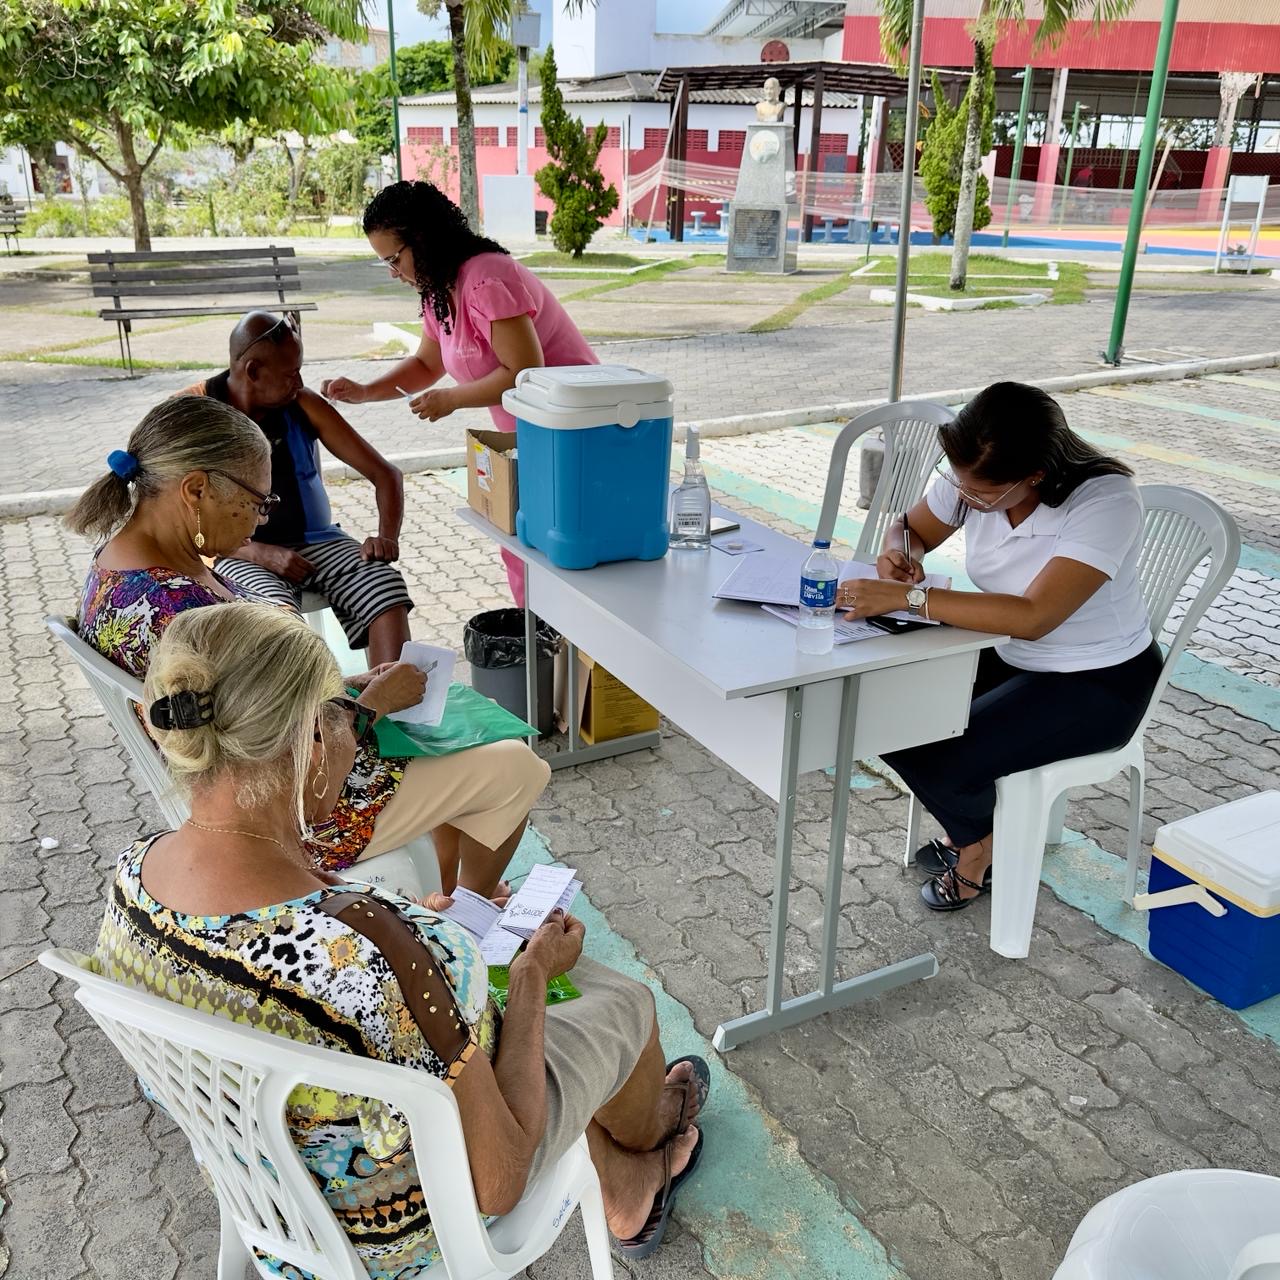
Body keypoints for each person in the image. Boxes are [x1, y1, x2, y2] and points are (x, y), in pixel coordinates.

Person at [93, 603, 708, 1270]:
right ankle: (652, 1143)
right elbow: (499, 1178)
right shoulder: (387, 955)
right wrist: (528, 978)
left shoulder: (132, 877)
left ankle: (622, 1173)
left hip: (273, 1191)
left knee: (515, 1012)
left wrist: (416, 928)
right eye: (344, 714)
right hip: (398, 1232)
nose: (358, 737)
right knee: (620, 1002)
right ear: (313, 739)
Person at [67, 395, 550, 899]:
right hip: (287, 811)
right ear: (195, 490)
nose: (259, 522)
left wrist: (345, 686)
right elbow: (281, 754)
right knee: (515, 766)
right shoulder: (178, 611)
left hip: (238, 787)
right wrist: (370, 706)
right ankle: (468, 915)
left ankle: (445, 893)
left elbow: (240, 704)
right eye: (258, 503)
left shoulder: (125, 563)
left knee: (465, 734)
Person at [835, 382, 1161, 911]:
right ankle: (979, 828)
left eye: (979, 495)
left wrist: (910, 598)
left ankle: (976, 850)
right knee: (883, 710)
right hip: (1008, 650)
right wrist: (900, 552)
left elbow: (1036, 616)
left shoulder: (1106, 501)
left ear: (1033, 476)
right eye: (958, 486)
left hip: (1099, 679)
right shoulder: (975, 475)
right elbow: (908, 528)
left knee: (946, 758)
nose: (965, 500)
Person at [320, 180, 599, 603]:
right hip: (526, 437)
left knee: (559, 553)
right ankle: (540, 651)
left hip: (573, 430)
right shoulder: (438, 290)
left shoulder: (487, 276)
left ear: (424, 238)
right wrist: (364, 392)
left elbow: (524, 370)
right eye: (385, 264)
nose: (394, 274)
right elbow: (426, 364)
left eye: (394, 259)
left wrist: (451, 399)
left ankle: (572, 657)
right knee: (521, 548)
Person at [184, 310, 412, 668]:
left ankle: (391, 711)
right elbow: (177, 516)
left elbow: (386, 475)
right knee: (275, 617)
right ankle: (309, 717)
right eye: (291, 373)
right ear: (254, 372)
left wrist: (387, 538)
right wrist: (257, 552)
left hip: (318, 541)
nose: (300, 381)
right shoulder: (196, 413)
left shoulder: (302, 404)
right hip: (236, 550)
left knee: (385, 588)